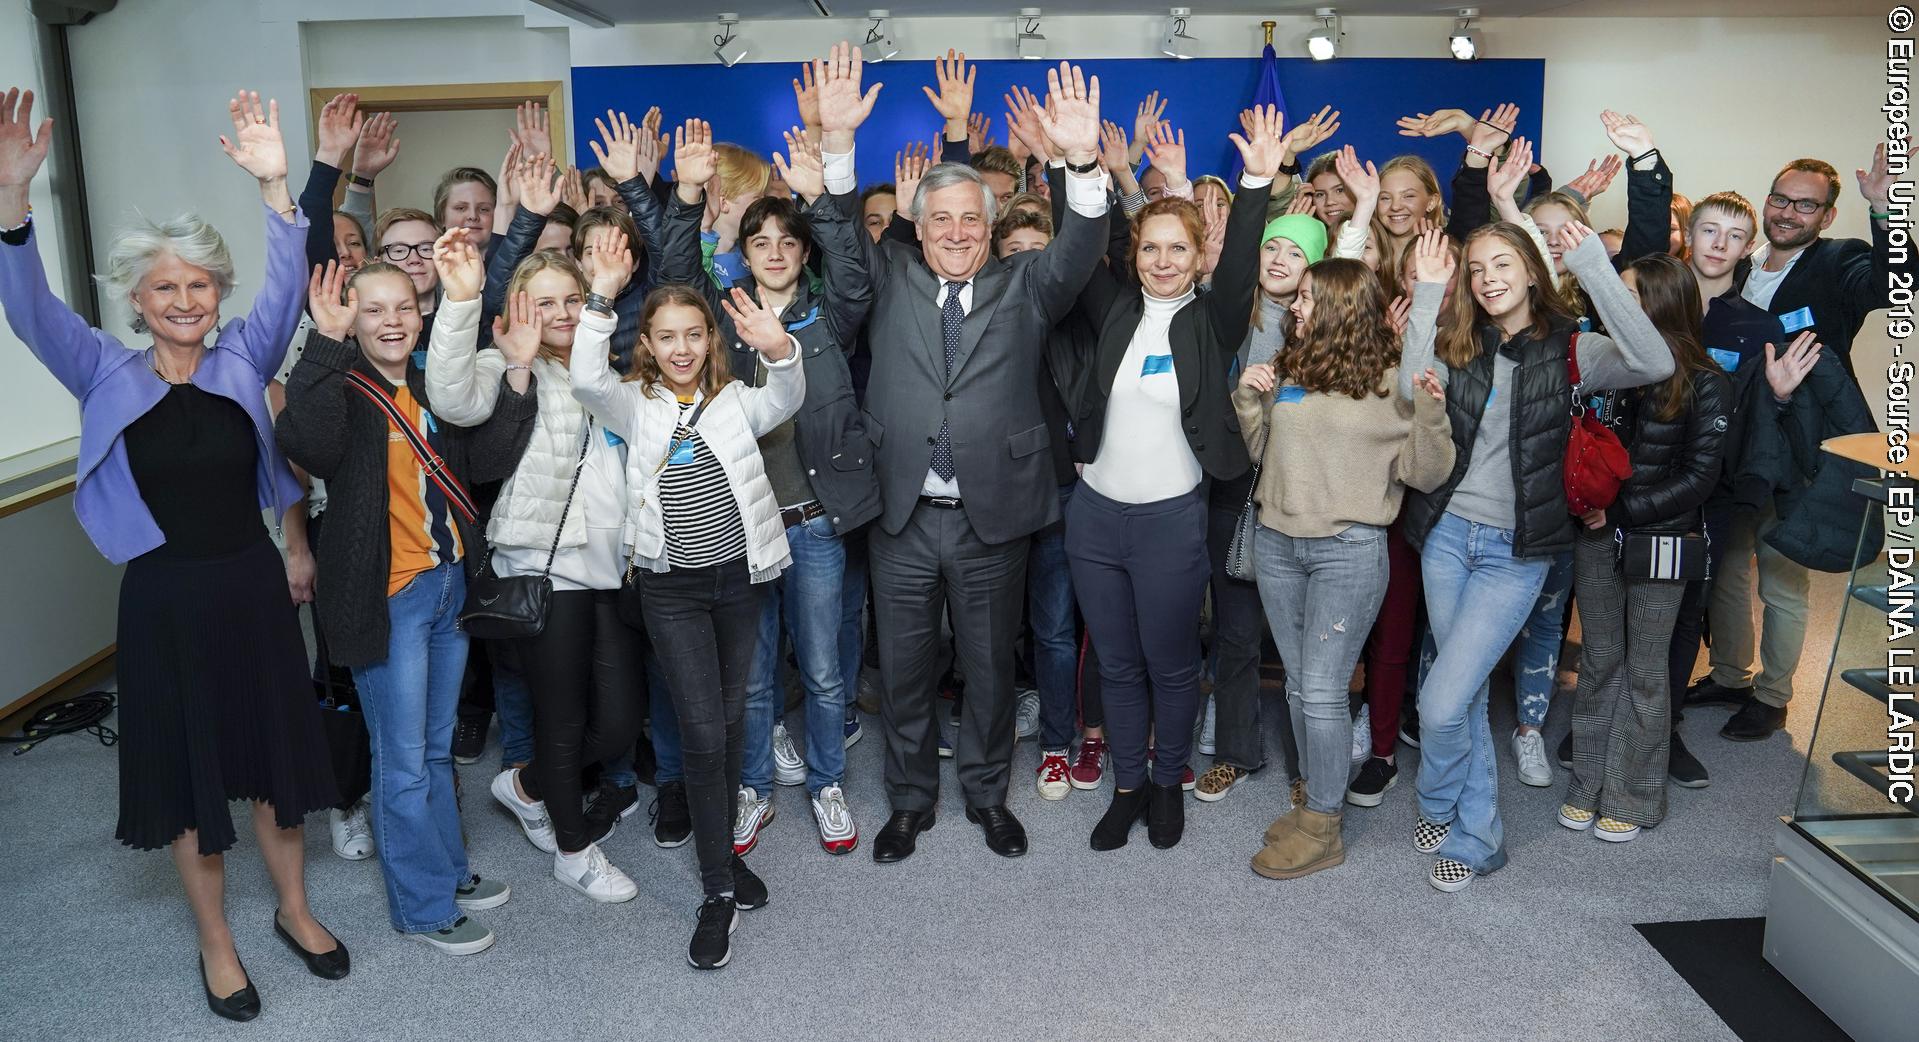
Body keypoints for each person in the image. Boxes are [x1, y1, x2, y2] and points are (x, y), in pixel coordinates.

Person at [0, 87, 343, 1021]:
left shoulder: (244, 358)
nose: (185, 300)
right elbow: (29, 311)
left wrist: (279, 188)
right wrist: (12, 206)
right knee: (196, 783)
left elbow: (286, 283)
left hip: (247, 584)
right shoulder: (101, 370)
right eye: (165, 287)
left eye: (199, 285)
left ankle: (295, 911)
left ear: (216, 294)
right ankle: (216, 939)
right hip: (161, 599)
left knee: (276, 769)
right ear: (137, 300)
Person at [821, 45, 1110, 863]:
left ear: (990, 229)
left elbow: (1085, 242)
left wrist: (1081, 159)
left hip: (994, 514)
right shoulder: (888, 278)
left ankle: (986, 796)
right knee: (904, 671)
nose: (955, 233)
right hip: (901, 514)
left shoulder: (1028, 286)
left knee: (988, 672)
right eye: (940, 219)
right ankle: (909, 802)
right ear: (917, 225)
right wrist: (838, 150)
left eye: (971, 221)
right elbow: (841, 235)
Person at [1399, 220, 1673, 893]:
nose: (1488, 278)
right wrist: (1428, 296)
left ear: (1530, 272)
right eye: (1476, 268)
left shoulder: (1573, 351)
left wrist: (1590, 265)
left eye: (1502, 264)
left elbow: (1653, 360)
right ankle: (1466, 819)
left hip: (1513, 551)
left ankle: (1457, 817)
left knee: (1438, 703)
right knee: (1457, 697)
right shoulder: (1460, 340)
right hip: (1443, 535)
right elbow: (1410, 394)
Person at [279, 245, 536, 956]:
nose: (391, 320)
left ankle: (447, 873)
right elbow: (305, 443)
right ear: (350, 319)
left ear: (422, 313)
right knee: (402, 757)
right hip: (386, 598)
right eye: (372, 309)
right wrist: (325, 345)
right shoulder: (341, 387)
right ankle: (422, 907)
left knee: (434, 750)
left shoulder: (434, 384)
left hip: (449, 586)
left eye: (402, 306)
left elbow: (482, 466)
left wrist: (515, 371)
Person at [570, 252, 804, 966]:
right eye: (665, 336)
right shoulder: (632, 404)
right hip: (669, 589)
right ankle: (716, 890)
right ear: (646, 344)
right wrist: (601, 297)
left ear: (712, 340)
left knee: (730, 726)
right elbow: (584, 376)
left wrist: (782, 350)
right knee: (703, 734)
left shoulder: (738, 400)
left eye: (693, 335)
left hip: (738, 582)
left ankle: (723, 860)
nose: (680, 348)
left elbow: (787, 396)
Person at [659, 122, 879, 857]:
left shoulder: (830, 317)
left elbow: (855, 273)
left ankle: (825, 784)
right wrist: (688, 196)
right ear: (743, 253)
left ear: (802, 252)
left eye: (789, 242)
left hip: (814, 521)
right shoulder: (720, 318)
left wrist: (819, 198)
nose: (776, 254)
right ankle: (753, 784)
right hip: (744, 525)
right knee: (751, 677)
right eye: (761, 244)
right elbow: (673, 277)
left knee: (819, 670)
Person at [1068, 108, 1281, 851]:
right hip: (1094, 518)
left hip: (1169, 521)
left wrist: (1256, 179)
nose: (1161, 260)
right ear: (1136, 255)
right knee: (1117, 664)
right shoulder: (1112, 310)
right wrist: (1080, 167)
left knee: (1167, 662)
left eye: (1176, 249)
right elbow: (1080, 243)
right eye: (1150, 248)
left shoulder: (1209, 318)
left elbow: (1245, 255)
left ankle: (1166, 782)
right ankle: (1127, 786)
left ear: (1198, 257)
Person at [426, 236, 648, 902]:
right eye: (544, 300)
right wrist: (464, 304)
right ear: (519, 306)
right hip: (546, 565)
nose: (560, 312)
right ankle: (574, 853)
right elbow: (451, 400)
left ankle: (524, 785)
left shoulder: (602, 367)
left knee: (616, 722)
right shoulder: (502, 364)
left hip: (612, 565)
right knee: (561, 717)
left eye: (573, 299)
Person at [1234, 256, 1454, 878]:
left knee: (1326, 692)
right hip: (1277, 545)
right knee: (1299, 687)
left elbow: (1426, 473)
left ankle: (1324, 824)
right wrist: (1252, 404)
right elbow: (1262, 454)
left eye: (1306, 298)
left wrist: (1432, 417)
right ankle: (1313, 802)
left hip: (1348, 552)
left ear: (1337, 308)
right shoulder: (1293, 369)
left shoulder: (1392, 383)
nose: (1296, 308)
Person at [1686, 148, 1901, 739]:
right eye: (1781, 199)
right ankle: (1730, 673)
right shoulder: (1740, 260)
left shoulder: (1839, 260)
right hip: (1731, 441)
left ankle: (1774, 693)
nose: (1788, 212)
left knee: (1781, 574)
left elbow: (1892, 282)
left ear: (1827, 216)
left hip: (1799, 444)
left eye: (1806, 205)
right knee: (1727, 567)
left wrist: (1885, 209)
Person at [1559, 252, 1728, 843]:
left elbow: (1700, 478)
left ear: (1660, 302)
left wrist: (1621, 510)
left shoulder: (1707, 383)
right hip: (1598, 537)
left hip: (1661, 542)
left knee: (1646, 673)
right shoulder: (1608, 369)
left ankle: (1632, 798)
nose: (1614, 304)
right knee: (1600, 661)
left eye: (1627, 295)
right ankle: (1586, 786)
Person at [1193, 211, 1325, 808]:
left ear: (1313, 269)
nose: (1278, 258)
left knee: (1301, 646)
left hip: (1300, 497)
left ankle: (1308, 766)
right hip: (1233, 491)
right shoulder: (1223, 317)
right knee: (1237, 632)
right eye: (1270, 245)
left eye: (1294, 253)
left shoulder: (1325, 331)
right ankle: (1235, 752)